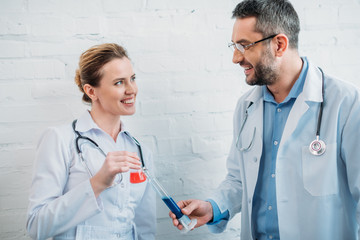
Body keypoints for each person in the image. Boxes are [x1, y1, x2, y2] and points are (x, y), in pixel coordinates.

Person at [170, 0, 360, 239]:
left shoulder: (347, 103)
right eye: (234, 46)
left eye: (244, 46)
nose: (235, 58)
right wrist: (212, 207)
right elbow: (239, 179)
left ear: (279, 44)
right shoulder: (246, 107)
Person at [26, 43, 156, 240]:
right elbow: (36, 227)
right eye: (119, 82)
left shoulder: (140, 151)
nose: (132, 89)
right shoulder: (60, 139)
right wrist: (97, 183)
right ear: (91, 92)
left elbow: (145, 228)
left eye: (133, 79)